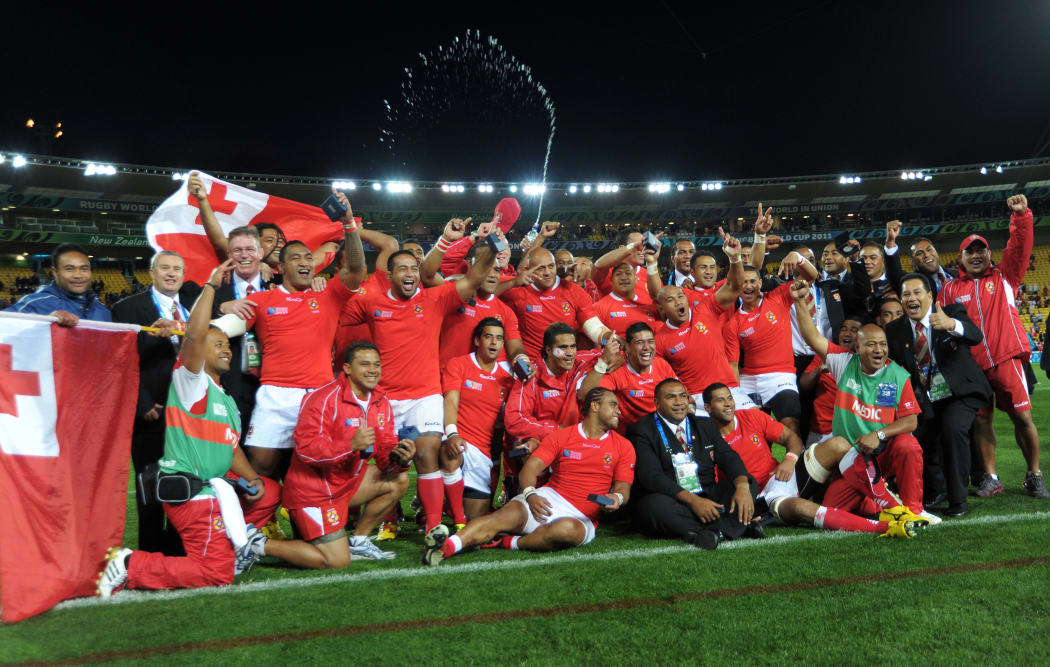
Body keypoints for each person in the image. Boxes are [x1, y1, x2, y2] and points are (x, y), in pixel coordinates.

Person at [96, 260, 280, 596]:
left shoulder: (225, 400)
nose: (225, 349)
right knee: (216, 573)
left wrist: (251, 479)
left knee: (267, 492)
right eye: (217, 344)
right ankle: (129, 565)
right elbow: (194, 334)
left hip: (211, 491)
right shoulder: (191, 383)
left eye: (227, 344)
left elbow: (230, 447)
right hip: (192, 492)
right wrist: (210, 286)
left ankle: (230, 551)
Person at [339, 222, 498, 532]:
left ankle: (434, 528)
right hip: (383, 399)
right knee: (386, 464)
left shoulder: (435, 299)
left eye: (414, 267)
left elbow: (475, 278)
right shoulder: (371, 302)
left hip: (424, 396)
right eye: (403, 269)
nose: (410, 273)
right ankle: (374, 521)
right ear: (390, 275)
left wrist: (491, 246)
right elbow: (337, 308)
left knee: (427, 454)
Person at [211, 192, 366, 479]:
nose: (305, 261)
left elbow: (356, 268)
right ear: (282, 268)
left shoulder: (329, 294)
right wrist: (213, 311)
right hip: (275, 395)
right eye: (296, 258)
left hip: (319, 394)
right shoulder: (262, 300)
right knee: (261, 466)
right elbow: (221, 329)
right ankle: (261, 523)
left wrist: (348, 225)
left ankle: (309, 522)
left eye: (308, 257)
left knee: (319, 468)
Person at [421, 387, 635, 564]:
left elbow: (623, 487)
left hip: (581, 517)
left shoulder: (623, 446)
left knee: (565, 530)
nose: (618, 410)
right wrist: (531, 495)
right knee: (497, 519)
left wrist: (617, 498)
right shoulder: (562, 436)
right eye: (613, 404)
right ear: (595, 406)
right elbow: (530, 469)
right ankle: (445, 548)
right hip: (546, 499)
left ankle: (509, 542)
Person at [704, 382, 927, 539]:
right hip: (761, 498)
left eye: (730, 398)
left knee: (838, 444)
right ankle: (884, 527)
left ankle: (892, 506)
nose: (728, 404)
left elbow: (791, 438)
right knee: (802, 508)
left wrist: (790, 458)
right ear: (707, 408)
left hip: (785, 475)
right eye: (720, 400)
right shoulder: (705, 437)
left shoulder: (751, 417)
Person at [790, 280, 932, 521]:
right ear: (857, 347)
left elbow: (910, 422)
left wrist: (879, 435)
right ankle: (880, 501)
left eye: (883, 344)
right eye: (872, 344)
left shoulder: (898, 375)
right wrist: (799, 301)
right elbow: (812, 336)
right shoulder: (843, 363)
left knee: (908, 444)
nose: (879, 350)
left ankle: (914, 511)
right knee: (833, 509)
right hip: (852, 459)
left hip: (882, 453)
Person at [938, 194, 1047, 499]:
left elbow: (1020, 245)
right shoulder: (948, 290)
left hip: (1006, 359)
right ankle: (991, 477)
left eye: (981, 251)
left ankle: (1034, 475)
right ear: (959, 258)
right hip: (972, 367)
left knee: (1022, 417)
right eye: (969, 252)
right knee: (982, 420)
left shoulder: (1005, 276)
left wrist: (1021, 216)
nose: (975, 256)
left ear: (989, 255)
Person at [278, 341, 417, 566]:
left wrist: (399, 458)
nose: (372, 370)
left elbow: (384, 453)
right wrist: (350, 445)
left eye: (376, 364)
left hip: (346, 485)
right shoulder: (322, 398)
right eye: (364, 364)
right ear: (347, 369)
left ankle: (359, 540)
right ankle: (257, 544)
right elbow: (306, 450)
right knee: (336, 561)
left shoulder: (381, 402)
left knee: (398, 480)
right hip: (314, 492)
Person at [111, 250, 202, 554]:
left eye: (178, 268)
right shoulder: (128, 309)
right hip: (153, 410)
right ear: (151, 272)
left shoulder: (195, 307)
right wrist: (141, 402)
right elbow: (120, 361)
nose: (172, 273)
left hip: (192, 411)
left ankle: (179, 549)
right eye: (165, 268)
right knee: (149, 484)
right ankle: (150, 551)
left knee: (187, 481)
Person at [886, 274, 992, 517]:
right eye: (905, 294)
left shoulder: (952, 311)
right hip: (926, 397)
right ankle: (933, 492)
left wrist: (952, 325)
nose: (911, 298)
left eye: (916, 292)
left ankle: (958, 502)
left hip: (960, 393)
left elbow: (975, 336)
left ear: (930, 296)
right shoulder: (894, 330)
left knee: (953, 429)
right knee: (917, 440)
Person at [626, 379, 756, 550]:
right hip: (674, 499)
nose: (679, 402)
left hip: (709, 495)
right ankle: (735, 527)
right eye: (671, 397)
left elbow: (727, 456)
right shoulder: (641, 430)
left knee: (748, 482)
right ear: (657, 403)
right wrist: (693, 501)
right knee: (651, 508)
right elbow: (651, 476)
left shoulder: (705, 424)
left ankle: (709, 532)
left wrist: (742, 486)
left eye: (683, 396)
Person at [724, 256, 817, 437]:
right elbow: (733, 365)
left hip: (780, 377)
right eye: (743, 282)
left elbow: (811, 276)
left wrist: (798, 258)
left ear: (760, 282)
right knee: (753, 432)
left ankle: (793, 465)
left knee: (790, 425)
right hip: (749, 379)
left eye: (752, 281)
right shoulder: (733, 323)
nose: (748, 286)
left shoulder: (778, 297)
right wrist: (734, 393)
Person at [504, 323, 601, 494]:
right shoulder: (530, 375)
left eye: (573, 347)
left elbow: (617, 352)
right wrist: (555, 431)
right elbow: (514, 419)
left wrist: (611, 360)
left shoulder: (579, 362)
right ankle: (524, 493)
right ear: (548, 350)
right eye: (563, 347)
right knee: (531, 445)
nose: (570, 353)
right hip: (540, 439)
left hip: (571, 438)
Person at [440, 318, 516, 526]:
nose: (494, 343)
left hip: (482, 455)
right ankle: (455, 518)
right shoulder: (459, 364)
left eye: (499, 339)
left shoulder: (506, 380)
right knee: (449, 451)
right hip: (459, 440)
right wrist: (452, 433)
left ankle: (454, 508)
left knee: (477, 520)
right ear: (477, 340)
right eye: (488, 337)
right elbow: (451, 401)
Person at [498, 247, 612, 361]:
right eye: (541, 268)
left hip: (564, 363)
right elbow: (483, 288)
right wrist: (514, 282)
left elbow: (593, 327)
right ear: (528, 270)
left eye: (551, 266)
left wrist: (611, 339)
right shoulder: (515, 287)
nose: (547, 272)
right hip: (532, 363)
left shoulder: (573, 291)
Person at [578, 322, 677, 430]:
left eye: (651, 342)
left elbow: (683, 395)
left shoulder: (661, 365)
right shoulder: (616, 371)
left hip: (664, 426)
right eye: (639, 342)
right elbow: (585, 396)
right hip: (634, 433)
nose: (646, 347)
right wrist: (604, 361)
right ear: (627, 347)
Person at [6, 243, 111, 324]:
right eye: (69, 269)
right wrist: (43, 322)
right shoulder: (34, 304)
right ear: (55, 273)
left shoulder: (103, 311)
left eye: (84, 269)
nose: (78, 275)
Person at [799, 316, 864, 444]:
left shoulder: (866, 361)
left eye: (854, 330)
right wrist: (817, 371)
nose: (847, 333)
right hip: (821, 431)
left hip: (851, 432)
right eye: (844, 329)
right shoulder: (825, 355)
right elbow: (803, 384)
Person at [592, 261, 662, 339]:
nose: (623, 278)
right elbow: (596, 341)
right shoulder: (599, 307)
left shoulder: (648, 305)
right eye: (618, 274)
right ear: (611, 281)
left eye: (628, 273)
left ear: (636, 279)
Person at [592, 230, 653, 299]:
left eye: (643, 247)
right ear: (622, 248)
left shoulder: (649, 274)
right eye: (637, 247)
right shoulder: (607, 273)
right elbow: (598, 265)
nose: (641, 251)